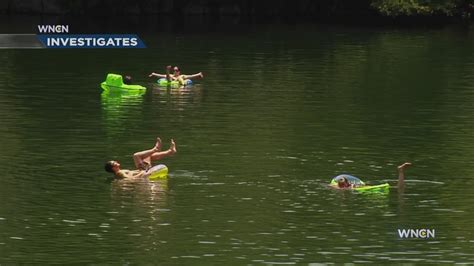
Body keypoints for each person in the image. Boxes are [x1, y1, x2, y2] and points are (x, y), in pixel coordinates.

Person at [104, 137, 177, 179]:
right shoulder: (119, 173)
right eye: (114, 162)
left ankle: (170, 151)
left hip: (143, 171)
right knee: (136, 155)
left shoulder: (119, 172)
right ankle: (155, 149)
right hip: (143, 174)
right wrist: (141, 173)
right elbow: (130, 179)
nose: (116, 161)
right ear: (113, 168)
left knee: (149, 156)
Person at [334, 162, 412, 189]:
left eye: (343, 182)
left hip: (366, 188)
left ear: (347, 183)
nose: (341, 184)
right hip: (366, 189)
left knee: (399, 189)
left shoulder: (351, 186)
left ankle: (401, 171)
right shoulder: (337, 187)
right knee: (399, 189)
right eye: (340, 183)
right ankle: (401, 171)